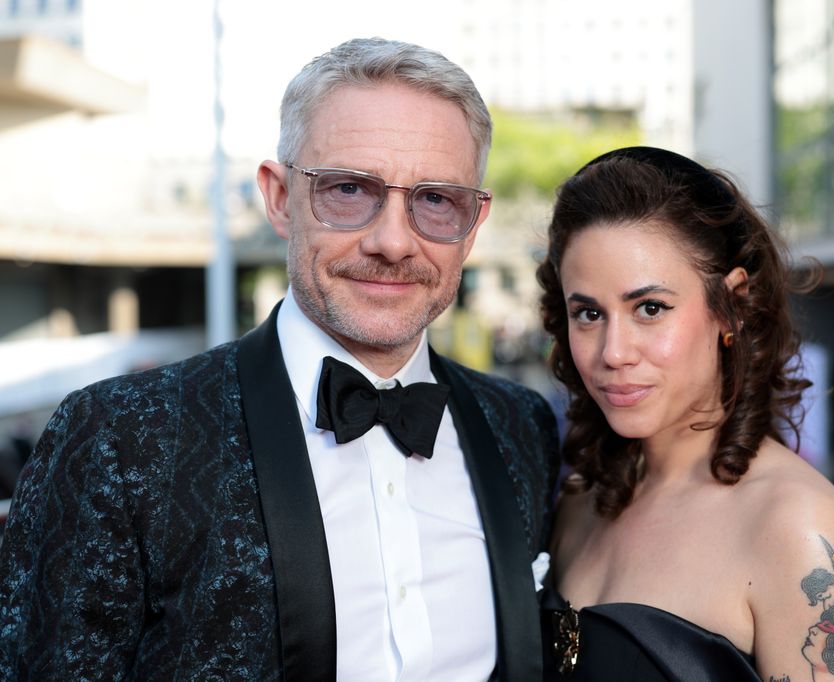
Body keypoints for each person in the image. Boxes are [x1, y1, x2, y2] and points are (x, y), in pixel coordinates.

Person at [0, 38, 560, 681]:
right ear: (277, 197)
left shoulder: (520, 425)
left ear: (473, 221)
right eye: (349, 189)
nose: (393, 241)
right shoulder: (118, 436)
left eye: (436, 200)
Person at [535, 146, 834, 681]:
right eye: (588, 313)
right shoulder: (583, 498)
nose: (613, 352)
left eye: (650, 309)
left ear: (733, 305)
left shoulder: (795, 525)